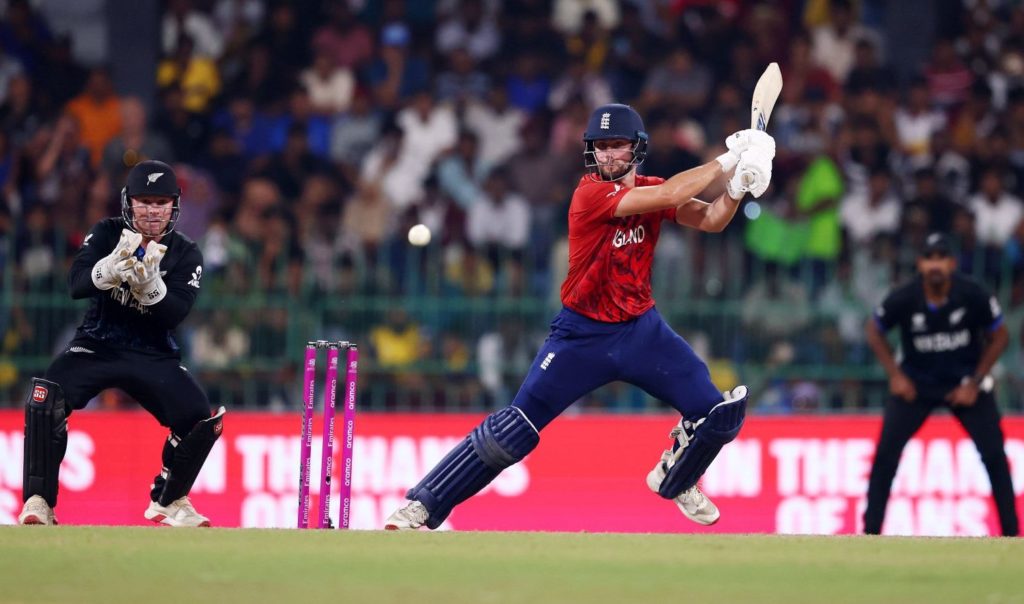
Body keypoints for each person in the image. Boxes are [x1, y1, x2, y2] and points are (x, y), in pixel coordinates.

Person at [384, 103, 775, 530]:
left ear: (636, 149)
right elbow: (670, 195)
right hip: (581, 335)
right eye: (600, 147)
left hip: (642, 330)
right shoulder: (589, 194)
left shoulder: (652, 186)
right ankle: (422, 506)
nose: (608, 156)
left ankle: (677, 476)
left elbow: (713, 219)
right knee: (513, 432)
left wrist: (737, 187)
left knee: (716, 413)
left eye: (617, 146)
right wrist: (729, 158)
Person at [18, 159, 224, 527]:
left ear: (174, 206)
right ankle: (39, 502)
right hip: (97, 344)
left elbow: (174, 313)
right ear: (128, 203)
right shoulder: (106, 233)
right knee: (46, 398)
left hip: (153, 353)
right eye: (144, 201)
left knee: (200, 420)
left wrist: (151, 288)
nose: (152, 211)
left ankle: (170, 500)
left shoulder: (186, 252)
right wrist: (108, 270)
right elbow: (76, 284)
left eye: (160, 203)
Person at [863, 233, 1018, 536]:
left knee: (995, 456)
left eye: (941, 258)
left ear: (952, 263)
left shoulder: (972, 293)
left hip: (964, 385)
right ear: (920, 264)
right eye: (929, 258)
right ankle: (869, 535)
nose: (936, 265)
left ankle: (1013, 536)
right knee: (885, 457)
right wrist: (896, 375)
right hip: (917, 385)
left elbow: (1001, 335)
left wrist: (975, 382)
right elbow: (873, 330)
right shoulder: (904, 297)